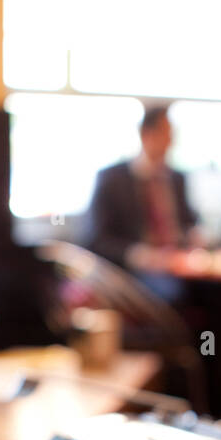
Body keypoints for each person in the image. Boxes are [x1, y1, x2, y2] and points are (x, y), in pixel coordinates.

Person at [85, 104, 202, 298]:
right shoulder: (113, 179)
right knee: (172, 292)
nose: (169, 142)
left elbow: (189, 223)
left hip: (180, 262)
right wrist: (141, 255)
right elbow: (97, 239)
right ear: (145, 134)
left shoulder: (177, 179)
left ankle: (214, 331)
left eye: (171, 135)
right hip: (135, 271)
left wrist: (195, 236)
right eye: (165, 134)